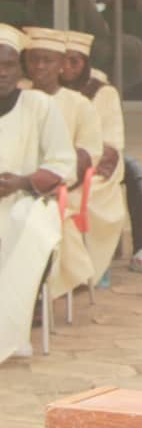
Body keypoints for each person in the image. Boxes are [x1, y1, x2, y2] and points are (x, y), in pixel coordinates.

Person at [61, 31, 142, 277]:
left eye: (74, 61)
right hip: (58, 160)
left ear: (85, 63)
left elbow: (110, 141)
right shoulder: (48, 90)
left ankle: (141, 249)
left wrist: (87, 166)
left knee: (135, 170)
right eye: (62, 61)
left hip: (95, 158)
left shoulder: (101, 91)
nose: (67, 68)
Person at [0, 24, 76, 362]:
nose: (1, 72)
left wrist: (21, 181)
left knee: (23, 229)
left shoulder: (38, 105)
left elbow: (63, 162)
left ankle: (10, 333)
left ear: (20, 68)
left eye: (8, 64)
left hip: (26, 200)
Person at [22, 27, 101, 298]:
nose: (40, 67)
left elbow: (86, 154)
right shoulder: (16, 99)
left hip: (64, 190)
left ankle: (35, 295)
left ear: (61, 64)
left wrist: (51, 182)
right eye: (34, 60)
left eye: (48, 60)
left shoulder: (79, 105)